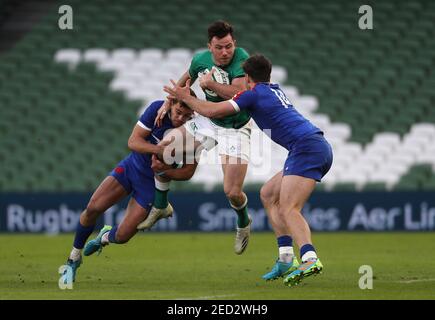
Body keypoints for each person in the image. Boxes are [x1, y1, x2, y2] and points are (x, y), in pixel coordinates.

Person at [163, 54, 333, 287]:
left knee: (289, 208)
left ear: (249, 79)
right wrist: (212, 85)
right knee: (268, 194)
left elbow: (213, 112)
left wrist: (185, 97)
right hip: (312, 146)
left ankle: (309, 258)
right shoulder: (272, 89)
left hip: (307, 148)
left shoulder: (252, 95)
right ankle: (285, 258)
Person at [62, 96, 198, 282]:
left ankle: (104, 237)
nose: (180, 118)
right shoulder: (158, 110)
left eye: (186, 116)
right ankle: (74, 257)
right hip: (131, 168)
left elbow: (188, 172)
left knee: (123, 236)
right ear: (172, 105)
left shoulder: (195, 133)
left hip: (151, 185)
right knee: (93, 208)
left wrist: (165, 171)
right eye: (178, 112)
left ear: (192, 115)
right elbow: (133, 142)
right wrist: (160, 151)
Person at [150, 20, 253, 255]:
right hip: (209, 120)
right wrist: (168, 102)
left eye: (228, 46)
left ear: (234, 43)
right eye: (219, 47)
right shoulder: (200, 60)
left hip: (236, 128)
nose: (225, 52)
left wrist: (211, 84)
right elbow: (185, 79)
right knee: (165, 146)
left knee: (233, 192)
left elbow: (240, 93)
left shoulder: (242, 58)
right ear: (210, 46)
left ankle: (244, 223)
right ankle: (160, 204)